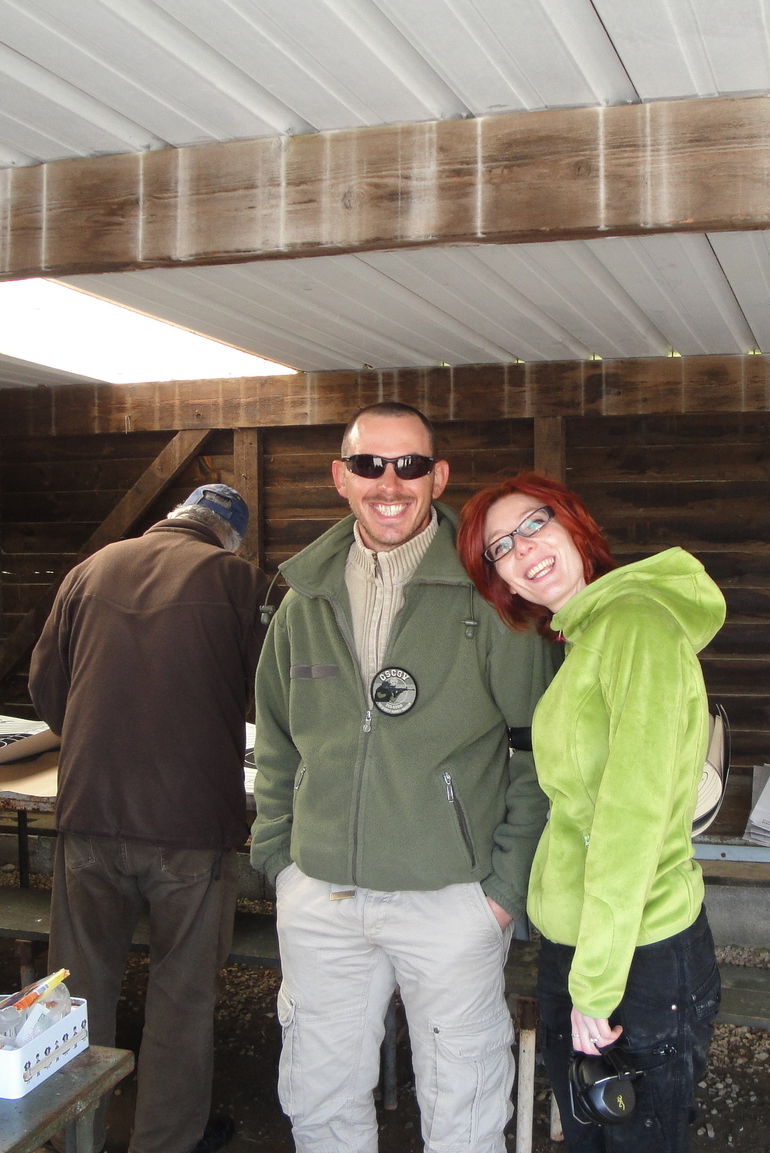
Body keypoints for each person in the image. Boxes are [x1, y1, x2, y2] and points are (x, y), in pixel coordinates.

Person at [250, 402, 560, 1153]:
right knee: (319, 1101)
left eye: (410, 465)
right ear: (341, 477)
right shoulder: (302, 599)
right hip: (322, 896)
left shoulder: (491, 594)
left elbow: (539, 749)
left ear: (438, 477)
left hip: (452, 898)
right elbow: (277, 740)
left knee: (463, 1110)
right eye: (369, 465)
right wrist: (281, 860)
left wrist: (503, 890)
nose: (389, 483)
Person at [457, 472, 726, 1152]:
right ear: (500, 580)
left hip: (635, 953)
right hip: (586, 944)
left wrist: (597, 984)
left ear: (575, 524)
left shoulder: (634, 626)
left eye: (534, 524)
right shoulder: (586, 637)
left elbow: (632, 818)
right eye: (499, 548)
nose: (522, 549)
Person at [30, 484, 267, 1153]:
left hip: (89, 812)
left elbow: (48, 689)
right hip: (191, 824)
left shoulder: (91, 569)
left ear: (173, 517)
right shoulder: (240, 582)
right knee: (181, 994)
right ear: (230, 538)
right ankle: (165, 1142)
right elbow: (270, 699)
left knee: (76, 990)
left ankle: (71, 1137)